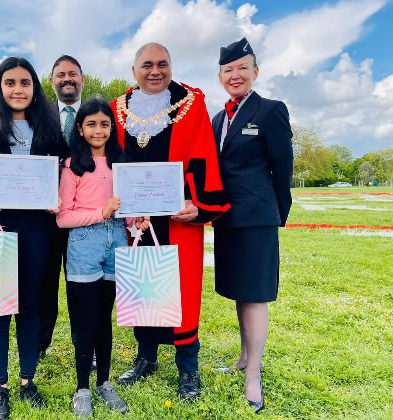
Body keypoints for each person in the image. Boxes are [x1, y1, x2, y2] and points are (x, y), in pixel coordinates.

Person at [111, 43, 230, 399]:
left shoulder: (191, 103)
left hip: (177, 219)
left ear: (171, 67)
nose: (155, 71)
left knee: (183, 290)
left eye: (162, 64)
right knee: (141, 284)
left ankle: (188, 368)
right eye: (146, 65)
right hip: (137, 220)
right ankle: (146, 357)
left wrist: (197, 202)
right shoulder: (119, 109)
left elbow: (203, 154)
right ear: (134, 71)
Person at [0, 56, 69, 420]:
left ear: (35, 88)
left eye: (25, 82)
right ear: (0, 87)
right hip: (0, 229)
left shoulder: (50, 130)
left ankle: (27, 380)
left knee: (31, 308)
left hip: (40, 231)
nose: (18, 89)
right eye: (10, 82)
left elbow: (65, 178)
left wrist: (60, 200)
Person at [211, 37, 293, 413]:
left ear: (255, 72)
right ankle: (243, 356)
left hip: (257, 220)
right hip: (227, 219)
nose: (235, 75)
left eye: (242, 68)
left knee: (256, 295)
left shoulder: (271, 110)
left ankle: (253, 373)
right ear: (221, 76)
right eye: (228, 70)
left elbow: (283, 170)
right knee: (241, 292)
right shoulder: (217, 118)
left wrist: (277, 214)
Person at [57, 98, 150, 417]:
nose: (99, 130)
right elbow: (62, 217)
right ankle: (82, 387)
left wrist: (134, 221)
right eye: (92, 124)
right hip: (84, 245)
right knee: (85, 323)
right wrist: (100, 212)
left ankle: (104, 383)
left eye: (105, 124)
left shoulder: (119, 164)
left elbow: (123, 212)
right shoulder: (72, 166)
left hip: (117, 245)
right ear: (80, 129)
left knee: (104, 320)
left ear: (113, 128)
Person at [38, 55, 86, 363]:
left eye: (72, 74)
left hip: (84, 219)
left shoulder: (97, 114)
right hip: (44, 218)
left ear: (82, 79)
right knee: (43, 284)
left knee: (83, 286)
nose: (66, 79)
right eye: (60, 75)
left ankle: (87, 346)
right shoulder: (38, 116)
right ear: (52, 81)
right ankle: (40, 344)